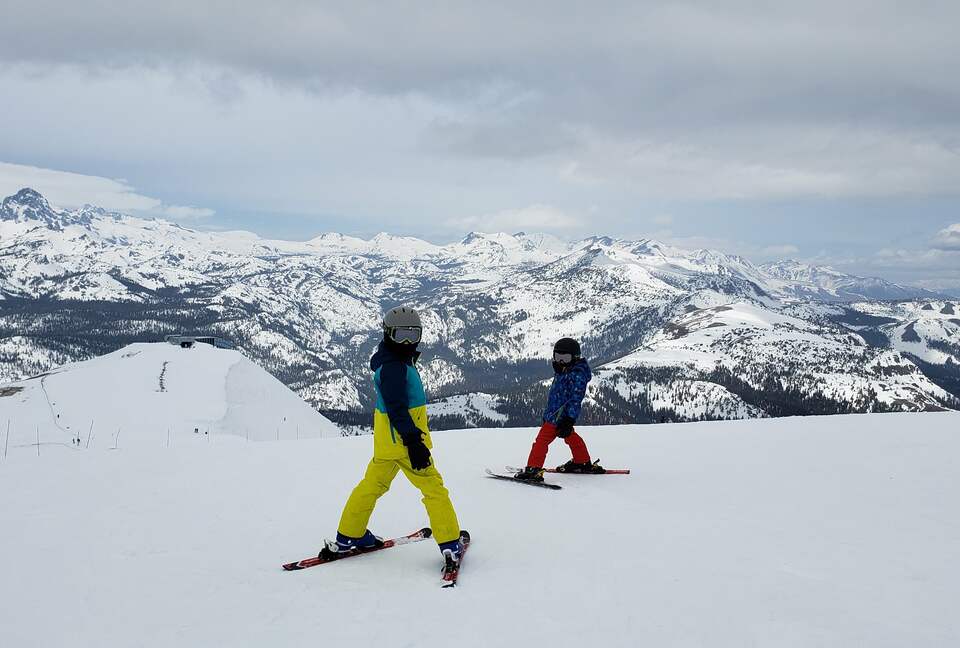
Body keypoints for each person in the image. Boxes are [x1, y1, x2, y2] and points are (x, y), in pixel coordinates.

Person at [325, 306, 464, 565]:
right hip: (405, 441)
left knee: (371, 485)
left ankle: (349, 535)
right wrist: (414, 442)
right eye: (401, 335)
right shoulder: (394, 367)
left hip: (386, 444)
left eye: (413, 334)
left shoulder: (393, 360)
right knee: (434, 488)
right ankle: (450, 543)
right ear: (388, 334)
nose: (408, 341)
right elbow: (398, 408)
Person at [515, 337, 604, 481]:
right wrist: (548, 414)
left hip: (560, 416)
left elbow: (576, 400)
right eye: (558, 357)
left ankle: (533, 469)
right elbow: (556, 395)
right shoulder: (564, 370)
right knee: (571, 437)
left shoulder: (577, 375)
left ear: (575, 358)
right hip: (555, 413)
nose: (560, 361)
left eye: (565, 358)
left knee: (541, 441)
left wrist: (569, 419)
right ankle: (581, 462)